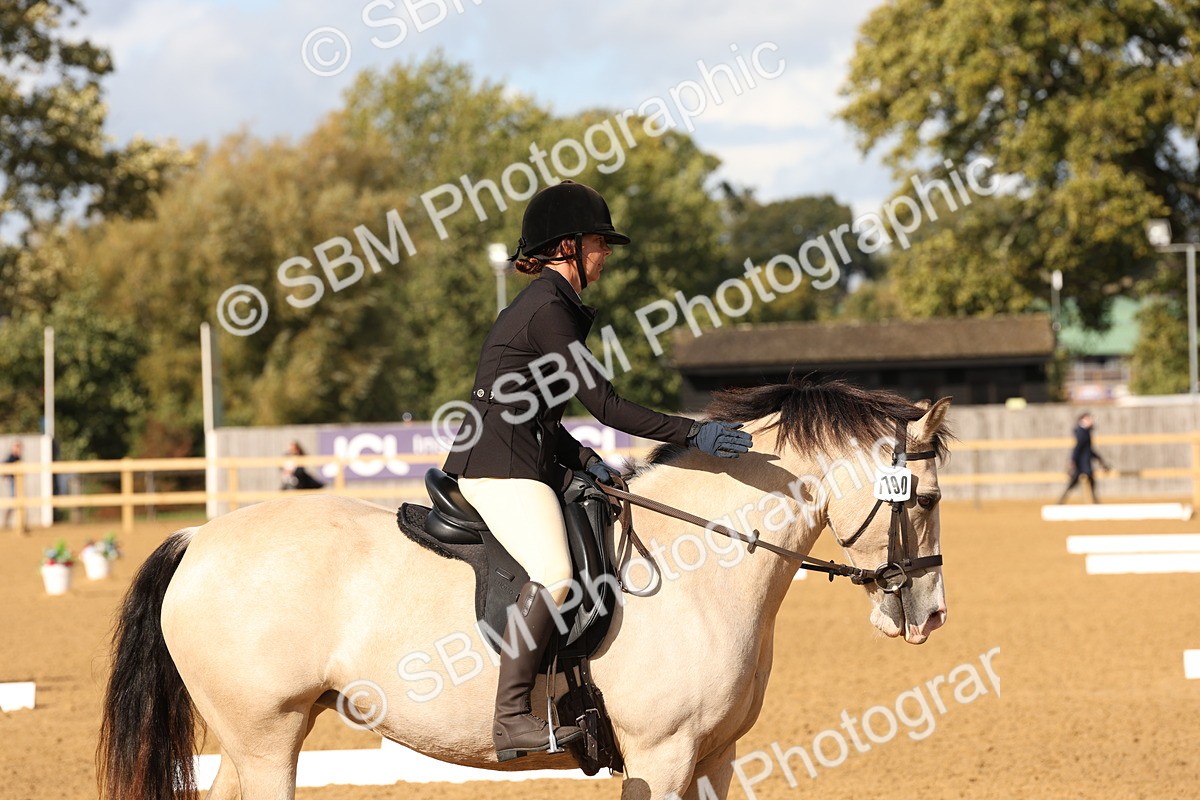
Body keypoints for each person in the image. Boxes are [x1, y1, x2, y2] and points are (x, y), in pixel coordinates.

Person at [441, 180, 752, 762]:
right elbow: (606, 406)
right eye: (597, 242)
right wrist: (693, 433)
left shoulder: (550, 306)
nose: (605, 253)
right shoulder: (547, 310)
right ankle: (511, 718)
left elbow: (533, 412)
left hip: (525, 455)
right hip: (499, 467)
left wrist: (584, 459)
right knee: (556, 574)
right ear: (567, 246)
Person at [1058, 412, 1109, 504]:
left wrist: (1099, 459)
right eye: (1089, 419)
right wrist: (1072, 460)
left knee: (1081, 481)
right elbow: (1078, 448)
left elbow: (1087, 449)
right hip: (1082, 463)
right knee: (1084, 481)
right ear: (1083, 420)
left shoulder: (1084, 432)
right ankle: (1095, 501)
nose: (1091, 421)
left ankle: (1061, 501)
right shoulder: (1082, 432)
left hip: (1082, 462)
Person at [3, 441, 22, 531]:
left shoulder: (17, 457)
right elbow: (4, 466)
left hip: (17, 482)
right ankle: (7, 521)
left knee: (18, 501)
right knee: (14, 500)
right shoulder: (11, 457)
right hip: (13, 482)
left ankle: (19, 522)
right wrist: (7, 476)